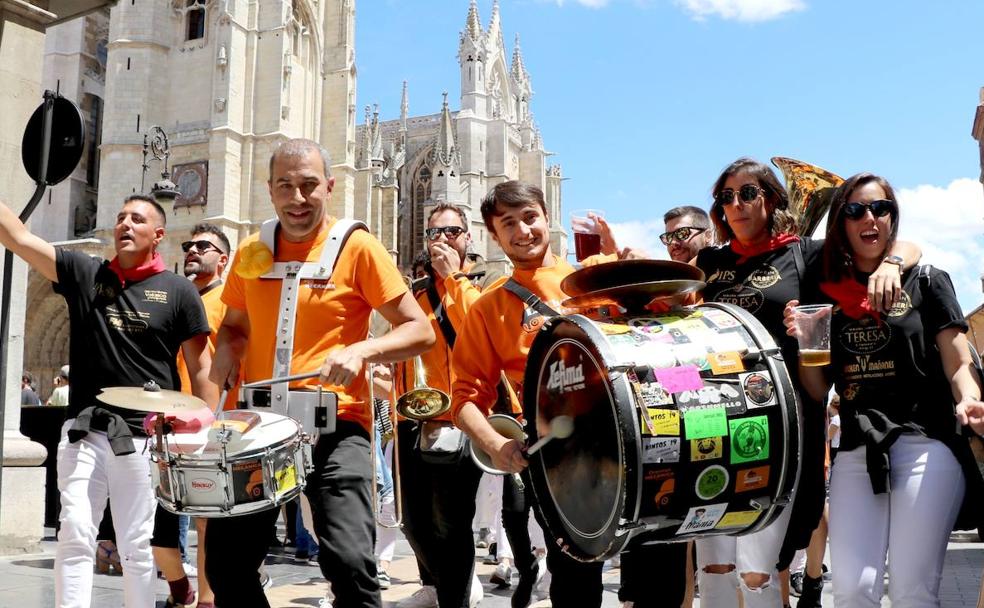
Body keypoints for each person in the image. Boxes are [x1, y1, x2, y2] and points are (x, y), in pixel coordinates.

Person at [206, 138, 434, 608]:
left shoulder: (359, 248)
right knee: (225, 565)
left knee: (350, 562)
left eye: (309, 185)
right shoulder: (251, 252)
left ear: (329, 186)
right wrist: (226, 357)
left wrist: (364, 350)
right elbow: (233, 326)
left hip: (337, 425)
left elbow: (420, 330)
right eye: (285, 186)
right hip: (260, 425)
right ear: (269, 190)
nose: (298, 198)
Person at [693, 157, 920, 607]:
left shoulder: (807, 255)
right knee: (713, 565)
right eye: (726, 197)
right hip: (713, 423)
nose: (736, 204)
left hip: (776, 426)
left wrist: (892, 263)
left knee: (758, 569)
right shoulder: (709, 262)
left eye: (748, 193)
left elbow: (901, 248)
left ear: (771, 198)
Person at [0, 193, 217, 608]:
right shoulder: (86, 273)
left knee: (137, 543)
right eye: (120, 217)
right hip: (84, 432)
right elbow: (20, 237)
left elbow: (203, 368)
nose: (124, 224)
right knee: (75, 533)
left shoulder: (178, 292)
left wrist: (202, 431)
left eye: (137, 219)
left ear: (158, 234)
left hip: (143, 440)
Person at [783, 172, 984, 608]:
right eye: (855, 210)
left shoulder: (927, 281)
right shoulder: (826, 294)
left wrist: (968, 397)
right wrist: (806, 341)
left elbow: (957, 362)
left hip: (924, 441)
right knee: (853, 591)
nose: (869, 217)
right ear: (841, 223)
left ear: (894, 218)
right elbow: (817, 390)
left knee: (913, 589)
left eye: (881, 208)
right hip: (857, 448)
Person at [451, 180, 607, 608]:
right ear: (494, 235)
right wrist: (495, 443)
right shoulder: (487, 307)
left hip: (627, 439)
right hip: (558, 458)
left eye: (530, 217)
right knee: (574, 576)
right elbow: (463, 396)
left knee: (653, 572)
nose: (523, 230)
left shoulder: (593, 278)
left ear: (546, 217)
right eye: (508, 223)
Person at [394, 203, 501, 608]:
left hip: (462, 416)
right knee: (413, 519)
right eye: (435, 233)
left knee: (451, 522)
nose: (442, 240)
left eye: (452, 231)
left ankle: (453, 594)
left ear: (468, 236)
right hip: (413, 416)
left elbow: (479, 326)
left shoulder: (485, 282)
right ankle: (444, 584)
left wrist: (453, 277)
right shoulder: (415, 291)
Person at [151, 223, 232, 608]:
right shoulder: (174, 299)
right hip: (169, 426)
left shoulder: (229, 304)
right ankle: (180, 587)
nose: (193, 251)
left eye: (204, 246)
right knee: (160, 535)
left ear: (223, 259)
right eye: (189, 245)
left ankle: (207, 600)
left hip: (212, 424)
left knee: (206, 524)